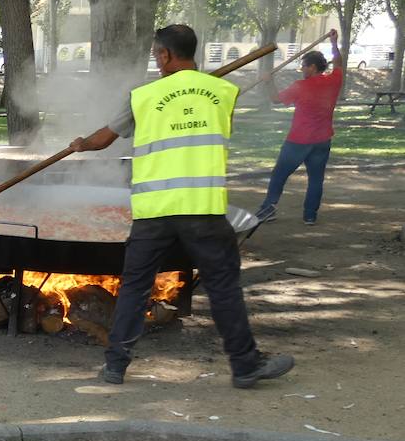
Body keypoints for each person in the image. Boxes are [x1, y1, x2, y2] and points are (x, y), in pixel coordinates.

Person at [70, 24, 295, 389]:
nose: (156, 61)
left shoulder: (143, 96)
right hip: (202, 209)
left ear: (164, 55)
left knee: (135, 288)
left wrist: (81, 143)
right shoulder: (222, 91)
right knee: (223, 287)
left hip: (154, 211)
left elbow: (104, 138)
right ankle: (245, 365)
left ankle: (115, 367)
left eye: (156, 55)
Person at [255, 29, 345, 226]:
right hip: (322, 140)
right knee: (315, 179)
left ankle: (268, 209)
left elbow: (275, 100)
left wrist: (268, 81)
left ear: (312, 67)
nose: (302, 69)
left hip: (298, 141)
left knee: (279, 174)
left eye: (304, 66)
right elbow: (338, 63)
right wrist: (334, 43)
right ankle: (310, 215)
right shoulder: (334, 81)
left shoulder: (300, 86)